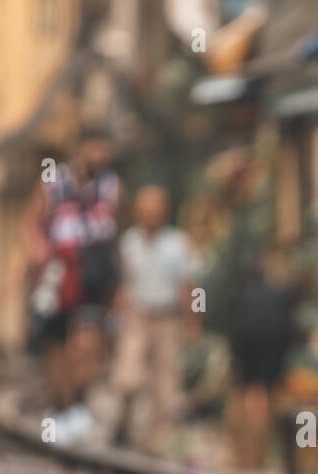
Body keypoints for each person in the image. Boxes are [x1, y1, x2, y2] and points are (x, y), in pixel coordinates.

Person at [25, 126, 120, 443]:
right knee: (56, 344)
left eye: (103, 150)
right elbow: (31, 225)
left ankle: (77, 402)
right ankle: (62, 408)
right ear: (80, 148)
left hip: (93, 272)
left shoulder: (111, 185)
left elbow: (114, 228)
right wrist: (39, 256)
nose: (100, 156)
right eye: (95, 148)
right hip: (58, 272)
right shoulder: (53, 181)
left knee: (87, 342)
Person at [110, 185, 198, 454]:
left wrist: (193, 320)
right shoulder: (129, 242)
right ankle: (123, 421)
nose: (150, 214)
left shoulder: (178, 243)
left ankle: (154, 440)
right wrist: (116, 315)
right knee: (128, 374)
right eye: (146, 209)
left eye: (155, 209)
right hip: (138, 316)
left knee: (165, 383)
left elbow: (191, 285)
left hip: (166, 317)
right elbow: (124, 282)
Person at [225, 253, 294, 470]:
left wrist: (235, 360)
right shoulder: (278, 293)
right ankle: (260, 454)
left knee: (251, 393)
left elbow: (235, 329)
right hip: (274, 342)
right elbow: (288, 327)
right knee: (267, 393)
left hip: (249, 342)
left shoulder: (241, 294)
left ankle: (250, 456)